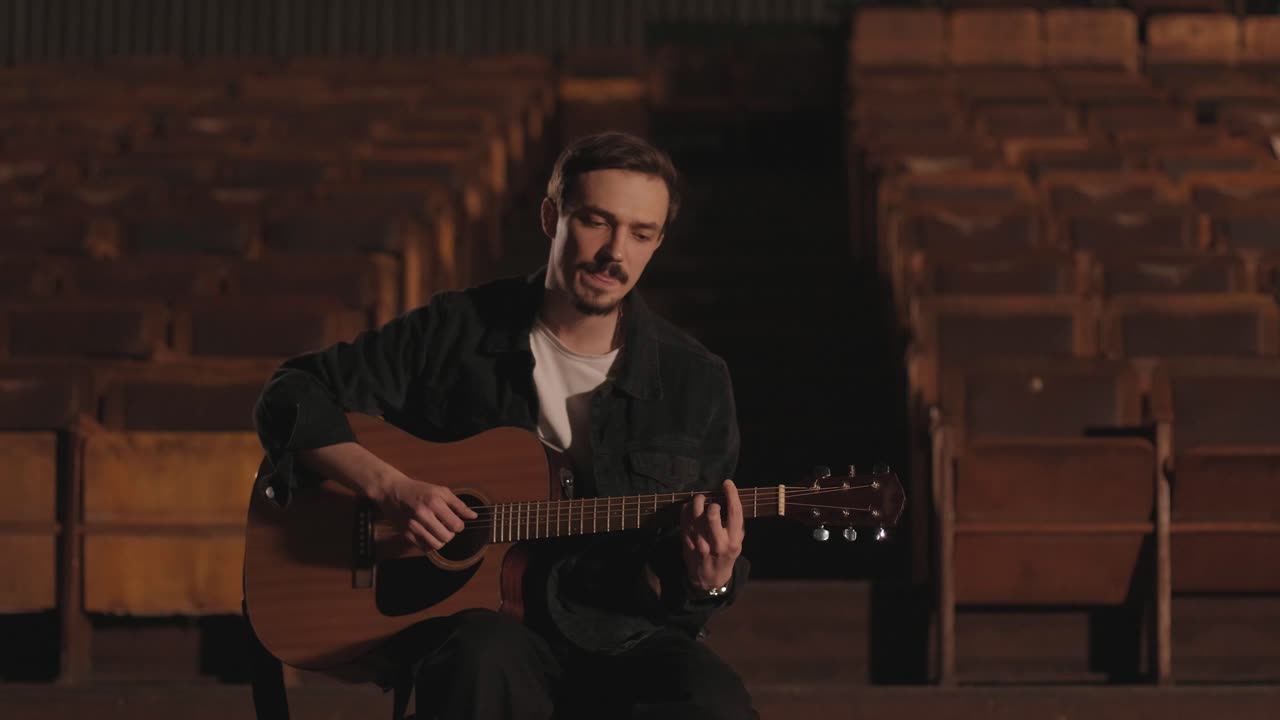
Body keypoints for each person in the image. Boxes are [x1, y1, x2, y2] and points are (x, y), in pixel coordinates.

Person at [252, 132, 756, 720]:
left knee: (715, 702)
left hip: (621, 631)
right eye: (596, 221)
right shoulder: (456, 331)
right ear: (552, 217)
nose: (615, 252)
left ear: (656, 243)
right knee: (482, 659)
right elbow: (291, 393)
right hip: (478, 623)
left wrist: (709, 580)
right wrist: (387, 487)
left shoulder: (695, 380)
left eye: (640, 234)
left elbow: (693, 588)